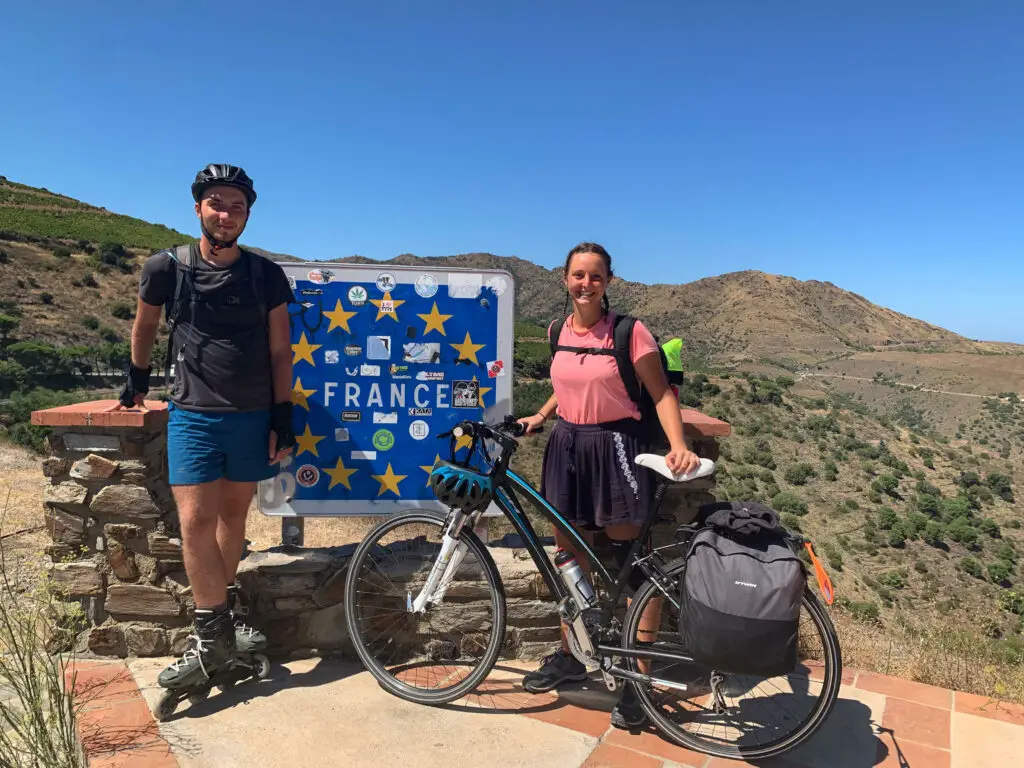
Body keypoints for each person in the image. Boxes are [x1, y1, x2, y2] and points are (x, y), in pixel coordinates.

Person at [113, 164, 296, 689]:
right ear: (198, 208)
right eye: (217, 203)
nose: (226, 214)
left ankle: (220, 619)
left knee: (233, 515)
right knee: (194, 521)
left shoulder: (265, 275)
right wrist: (136, 382)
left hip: (253, 414)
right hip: (192, 413)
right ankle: (210, 629)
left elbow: (280, 349)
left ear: (248, 215)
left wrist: (282, 417)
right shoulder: (165, 267)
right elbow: (145, 326)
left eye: (237, 207)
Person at [517, 242, 699, 729]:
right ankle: (572, 654)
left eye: (594, 277)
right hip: (567, 446)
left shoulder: (629, 332)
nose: (585, 284)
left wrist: (678, 444)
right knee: (568, 558)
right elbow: (570, 380)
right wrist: (542, 413)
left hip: (613, 448)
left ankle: (639, 682)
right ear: (564, 278)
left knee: (632, 566)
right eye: (578, 275)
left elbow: (661, 392)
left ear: (608, 281)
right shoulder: (557, 330)